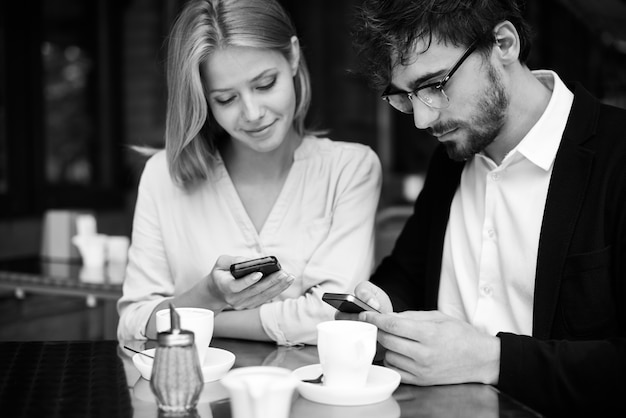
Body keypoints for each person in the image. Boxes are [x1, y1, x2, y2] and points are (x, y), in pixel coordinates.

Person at [343, 0, 626, 416]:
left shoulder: (617, 158)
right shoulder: (452, 157)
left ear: (503, 43)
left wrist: (491, 358)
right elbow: (407, 273)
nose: (422, 119)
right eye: (405, 97)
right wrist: (378, 308)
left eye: (436, 85)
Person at [117, 0, 381, 346]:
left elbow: (332, 314)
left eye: (265, 84)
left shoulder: (351, 170)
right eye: (226, 99)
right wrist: (209, 295)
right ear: (203, 101)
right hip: (198, 392)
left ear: (293, 56)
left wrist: (200, 317)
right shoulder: (162, 177)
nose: (253, 113)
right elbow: (133, 320)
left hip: (308, 395)